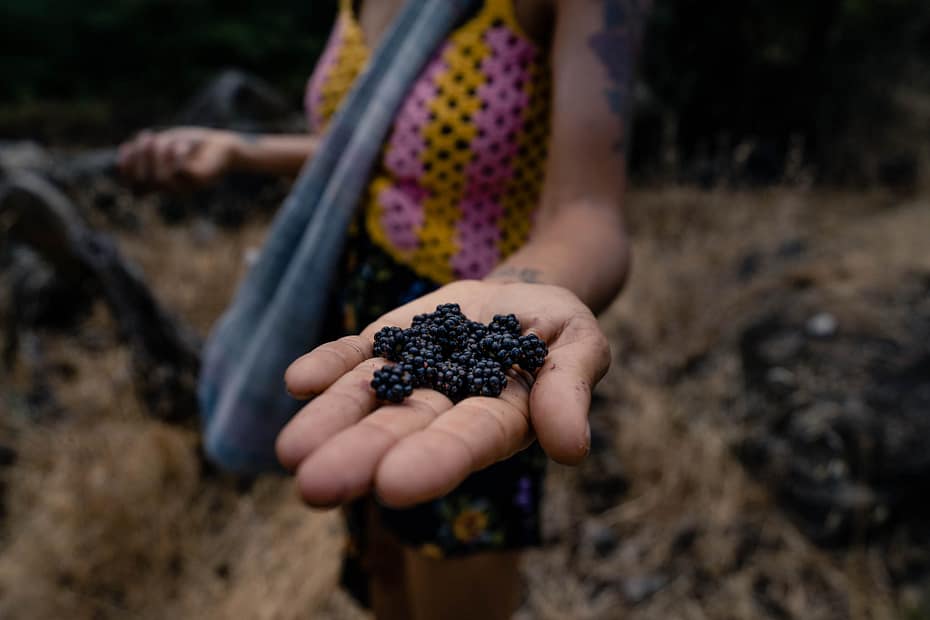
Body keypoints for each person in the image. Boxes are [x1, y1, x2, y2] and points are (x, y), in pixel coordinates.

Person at [119, 1, 648, 618]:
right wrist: (239, 149)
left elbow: (590, 213)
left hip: (469, 331)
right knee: (383, 581)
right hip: (368, 330)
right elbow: (380, 143)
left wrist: (528, 286)